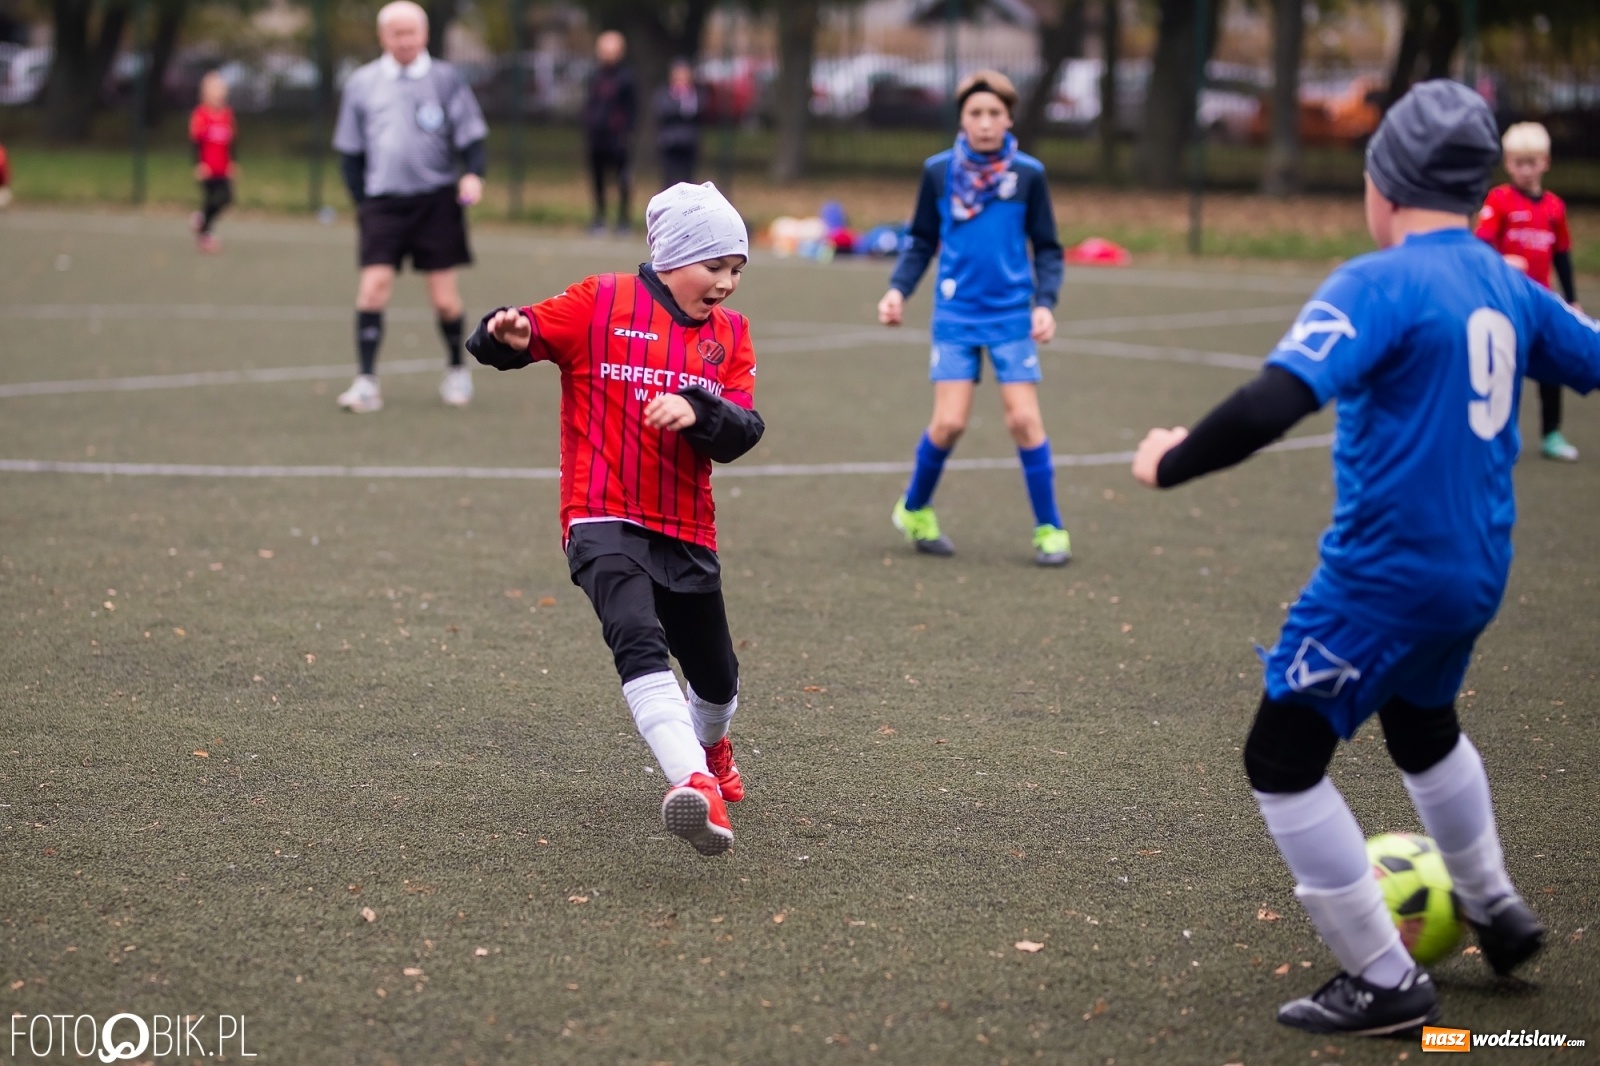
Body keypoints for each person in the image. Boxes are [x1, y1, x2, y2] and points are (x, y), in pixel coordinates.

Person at [1130, 81, 1600, 1036]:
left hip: (1383, 578)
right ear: (1476, 189)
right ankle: (1496, 907)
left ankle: (1385, 979)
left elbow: (1274, 400)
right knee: (1422, 726)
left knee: (1282, 755)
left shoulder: (1378, 282)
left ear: (1381, 184)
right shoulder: (1510, 282)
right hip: (1475, 571)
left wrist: (1170, 460)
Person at [465, 182, 763, 856]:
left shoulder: (730, 338)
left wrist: (701, 412)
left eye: (737, 271)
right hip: (600, 514)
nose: (726, 284)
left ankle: (710, 747)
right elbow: (517, 334)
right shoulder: (599, 301)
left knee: (716, 679)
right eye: (714, 266)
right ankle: (692, 782)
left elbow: (745, 427)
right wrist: (501, 333)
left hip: (686, 526)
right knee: (635, 636)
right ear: (672, 256)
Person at [876, 70, 1069, 567]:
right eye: (975, 114)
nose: (985, 123)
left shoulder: (1028, 175)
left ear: (1009, 119)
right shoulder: (939, 173)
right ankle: (914, 508)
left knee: (1025, 420)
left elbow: (1047, 247)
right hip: (956, 314)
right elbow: (920, 240)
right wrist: (897, 290)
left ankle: (1050, 527)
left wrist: (1045, 302)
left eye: (995, 114)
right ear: (962, 119)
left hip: (1010, 316)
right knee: (949, 423)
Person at [331, 0, 488, 414]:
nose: (404, 41)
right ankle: (366, 383)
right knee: (372, 289)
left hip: (436, 202)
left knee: (444, 300)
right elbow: (349, 151)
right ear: (383, 37)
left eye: (411, 32)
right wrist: (363, 203)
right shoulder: (362, 83)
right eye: (396, 33)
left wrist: (473, 173)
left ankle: (456, 369)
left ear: (424, 35)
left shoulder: (446, 79)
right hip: (383, 204)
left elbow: (471, 136)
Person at [1476, 121, 1583, 462]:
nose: (1524, 170)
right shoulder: (1499, 200)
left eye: (1531, 162)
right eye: (1517, 163)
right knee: (1505, 369)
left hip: (1544, 302)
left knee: (1551, 367)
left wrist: (1571, 298)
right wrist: (1501, 260)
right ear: (1507, 164)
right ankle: (1498, 435)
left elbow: (1562, 255)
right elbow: (1481, 245)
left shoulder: (1554, 207)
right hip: (1507, 302)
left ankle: (1551, 433)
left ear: (1545, 162)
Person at [582, 30, 637, 235]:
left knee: (622, 180)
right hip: (597, 138)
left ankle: (623, 221)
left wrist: (626, 133)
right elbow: (590, 104)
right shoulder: (594, 76)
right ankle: (599, 218)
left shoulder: (627, 78)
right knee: (598, 180)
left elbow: (632, 109)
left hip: (618, 139)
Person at [188, 71, 235, 254]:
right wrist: (198, 164)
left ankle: (201, 219)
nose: (219, 92)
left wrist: (232, 162)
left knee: (227, 198)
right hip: (207, 168)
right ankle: (205, 234)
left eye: (221, 88)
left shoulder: (227, 115)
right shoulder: (200, 115)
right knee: (211, 199)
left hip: (222, 167)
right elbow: (195, 142)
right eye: (215, 88)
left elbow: (231, 141)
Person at [654, 58, 701, 190]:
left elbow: (699, 110)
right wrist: (680, 107)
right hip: (670, 142)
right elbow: (663, 111)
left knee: (688, 180)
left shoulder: (694, 94)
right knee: (669, 180)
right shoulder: (665, 92)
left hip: (688, 142)